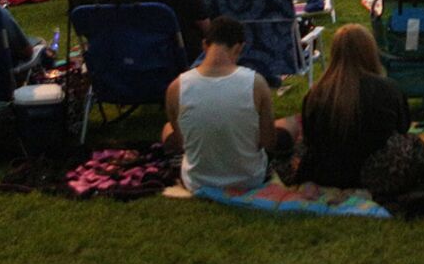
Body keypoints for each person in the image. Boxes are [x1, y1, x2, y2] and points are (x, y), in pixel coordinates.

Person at [163, 17, 291, 193]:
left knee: (167, 129)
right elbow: (268, 142)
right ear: (239, 48)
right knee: (288, 124)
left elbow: (182, 142)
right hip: (250, 178)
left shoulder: (176, 87)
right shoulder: (256, 83)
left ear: (205, 45)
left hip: (197, 180)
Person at [292, 24, 410, 189]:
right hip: (377, 173)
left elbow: (310, 138)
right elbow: (403, 127)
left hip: (327, 173)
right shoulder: (388, 89)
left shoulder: (315, 93)